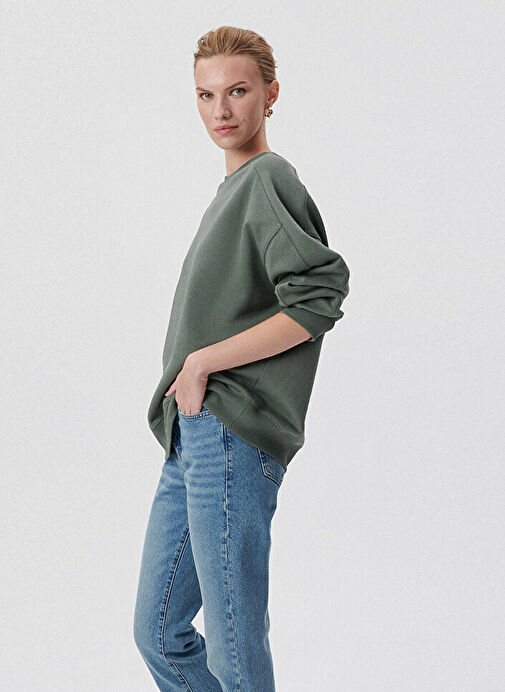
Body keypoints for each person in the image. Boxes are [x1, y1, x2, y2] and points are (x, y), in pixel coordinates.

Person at [133, 26, 351, 692]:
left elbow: (318, 295)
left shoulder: (266, 179)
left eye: (238, 91)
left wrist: (202, 363)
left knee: (232, 644)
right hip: (191, 436)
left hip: (230, 431)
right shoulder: (231, 192)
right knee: (159, 634)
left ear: (270, 94)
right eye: (206, 95)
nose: (221, 110)